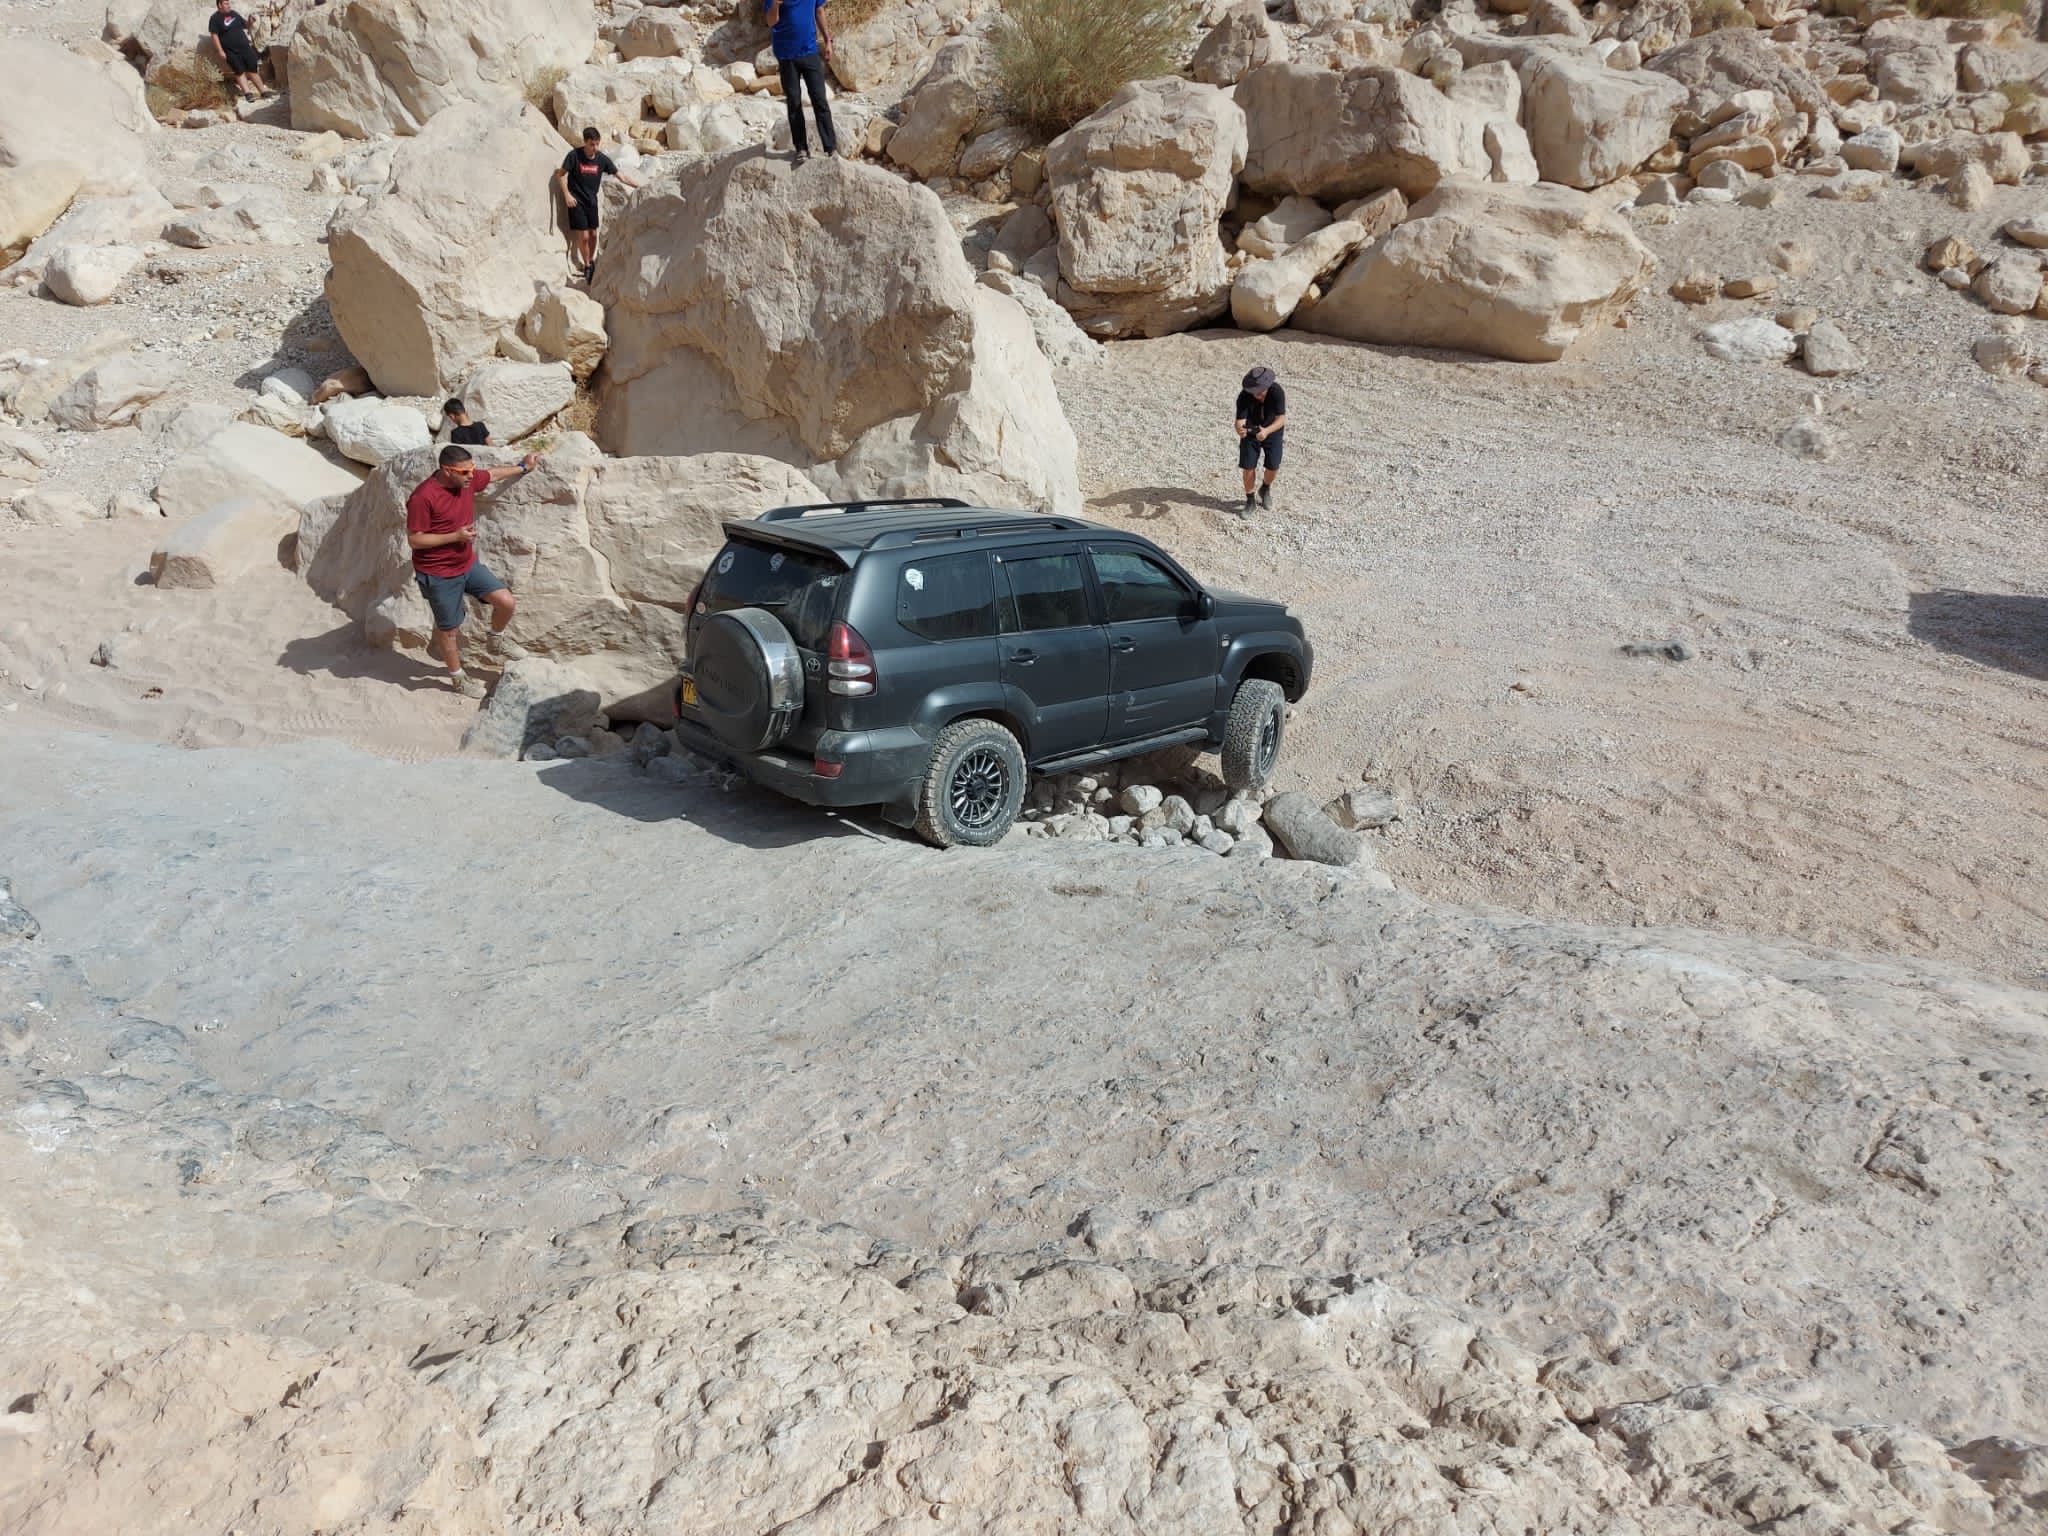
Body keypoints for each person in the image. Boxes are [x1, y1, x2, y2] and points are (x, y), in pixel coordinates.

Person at [405, 445, 542, 697]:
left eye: (472, 469)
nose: (471, 475)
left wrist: (523, 467)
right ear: (447, 471)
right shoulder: (423, 497)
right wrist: (454, 536)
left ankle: (496, 639)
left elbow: (493, 475)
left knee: (506, 602)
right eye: (465, 471)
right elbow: (415, 539)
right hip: (438, 572)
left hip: (467, 564)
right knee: (449, 630)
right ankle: (458, 679)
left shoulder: (466, 481)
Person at [553, 127, 642, 285]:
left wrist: (639, 186)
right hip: (576, 202)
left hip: (591, 202)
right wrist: (567, 195)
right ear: (585, 142)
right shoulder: (574, 156)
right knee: (584, 236)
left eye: (597, 144)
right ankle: (587, 265)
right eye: (592, 144)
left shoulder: (602, 159)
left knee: (593, 234)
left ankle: (591, 259)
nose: (595, 147)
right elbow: (560, 175)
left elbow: (621, 176)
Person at [764, 0, 837, 164]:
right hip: (786, 55)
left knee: (820, 99)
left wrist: (828, 40)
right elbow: (770, 21)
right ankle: (801, 148)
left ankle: (831, 148)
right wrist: (775, 5)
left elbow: (819, 11)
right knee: (794, 102)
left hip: (810, 51)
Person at [1233, 365, 1287, 515]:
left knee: (1273, 465)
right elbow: (1239, 421)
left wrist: (1267, 431)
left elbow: (1281, 419)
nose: (1257, 395)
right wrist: (1240, 429)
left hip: (1272, 430)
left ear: (1267, 386)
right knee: (1248, 467)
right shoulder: (1244, 396)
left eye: (1260, 391)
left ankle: (1265, 489)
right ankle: (1250, 501)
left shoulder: (1277, 392)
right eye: (1254, 392)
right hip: (1251, 432)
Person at [208, 0, 268, 102]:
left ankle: (263, 92)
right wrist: (220, 51)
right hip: (231, 51)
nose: (229, 5)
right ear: (220, 5)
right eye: (226, 4)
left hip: (245, 48)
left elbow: (245, 25)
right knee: (239, 71)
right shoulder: (215, 18)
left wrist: (250, 22)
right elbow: (214, 35)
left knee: (252, 69)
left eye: (228, 3)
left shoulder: (234, 14)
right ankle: (248, 94)